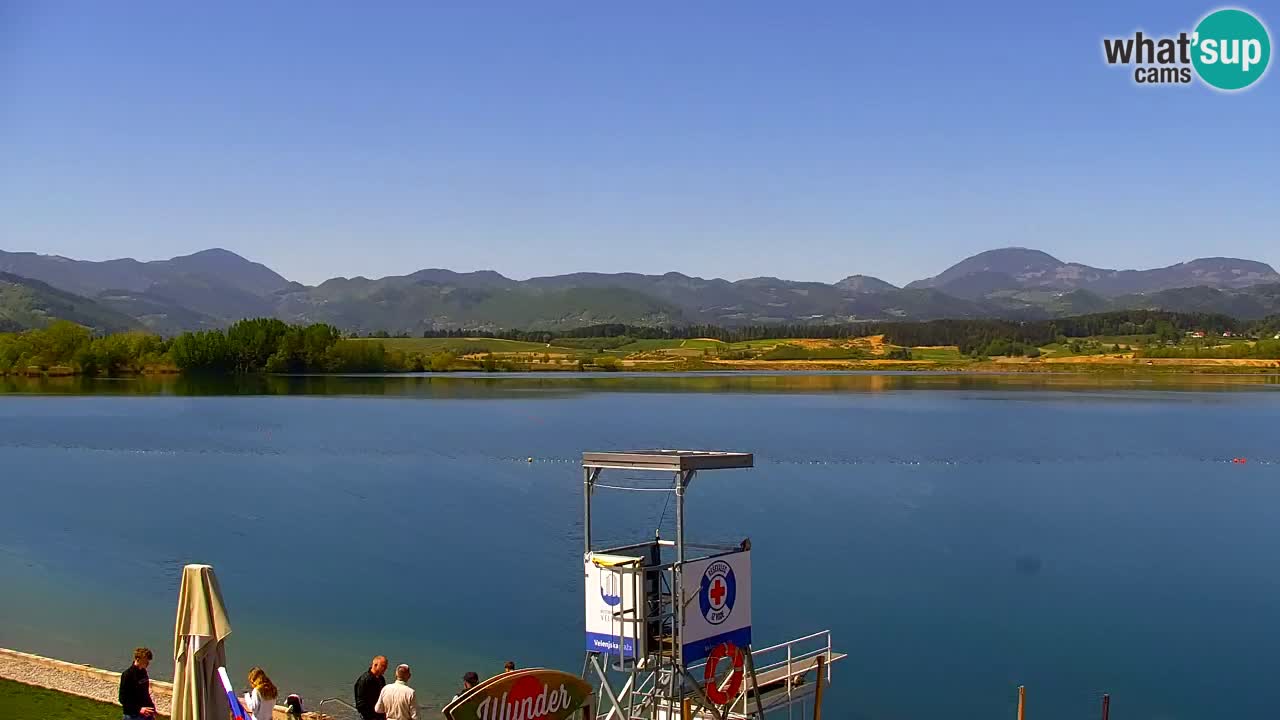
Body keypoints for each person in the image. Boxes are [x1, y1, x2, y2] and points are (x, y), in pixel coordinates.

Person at [118, 647, 157, 720]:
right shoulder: (127, 675)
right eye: (146, 661)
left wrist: (152, 707)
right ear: (138, 659)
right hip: (133, 715)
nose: (148, 663)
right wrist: (139, 709)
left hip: (147, 713)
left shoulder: (143, 672)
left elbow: (145, 692)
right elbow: (123, 699)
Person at [355, 656, 388, 720]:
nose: (385, 669)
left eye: (386, 667)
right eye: (383, 666)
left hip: (380, 715)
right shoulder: (364, 680)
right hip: (369, 717)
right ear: (375, 665)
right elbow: (360, 703)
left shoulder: (381, 679)